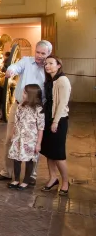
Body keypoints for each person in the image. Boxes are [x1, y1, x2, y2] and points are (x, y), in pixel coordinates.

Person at [0, 40, 52, 185]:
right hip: (19, 107)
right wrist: (11, 70)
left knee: (35, 143)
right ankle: (7, 172)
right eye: (37, 52)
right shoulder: (26, 61)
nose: (39, 55)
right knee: (9, 140)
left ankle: (31, 175)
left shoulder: (49, 67)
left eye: (43, 53)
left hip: (37, 110)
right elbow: (15, 66)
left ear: (48, 54)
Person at [40, 55, 71, 196]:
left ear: (59, 65)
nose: (47, 66)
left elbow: (62, 103)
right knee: (49, 152)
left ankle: (65, 181)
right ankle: (53, 178)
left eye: (51, 63)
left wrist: (55, 121)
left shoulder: (63, 80)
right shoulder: (51, 80)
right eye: (46, 63)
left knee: (58, 154)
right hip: (48, 118)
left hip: (58, 119)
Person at [7, 84, 44, 190]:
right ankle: (16, 179)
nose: (22, 94)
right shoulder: (21, 106)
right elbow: (16, 121)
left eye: (24, 93)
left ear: (31, 95)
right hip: (18, 138)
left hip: (30, 140)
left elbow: (41, 128)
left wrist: (38, 143)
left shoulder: (38, 109)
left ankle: (26, 181)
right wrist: (13, 134)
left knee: (28, 161)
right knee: (16, 159)